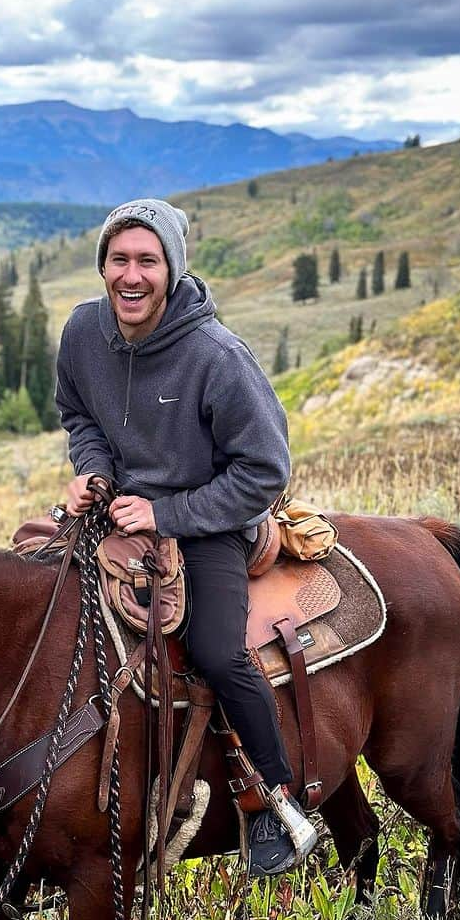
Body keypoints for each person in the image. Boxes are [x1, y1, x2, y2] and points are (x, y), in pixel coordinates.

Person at [54, 198, 317, 876]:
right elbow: (79, 414)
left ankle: (274, 799)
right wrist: (93, 475)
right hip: (115, 514)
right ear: (103, 266)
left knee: (216, 649)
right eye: (119, 259)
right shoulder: (84, 331)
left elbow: (264, 472)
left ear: (172, 268)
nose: (131, 275)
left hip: (213, 523)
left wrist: (167, 514)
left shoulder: (218, 355)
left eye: (147, 260)